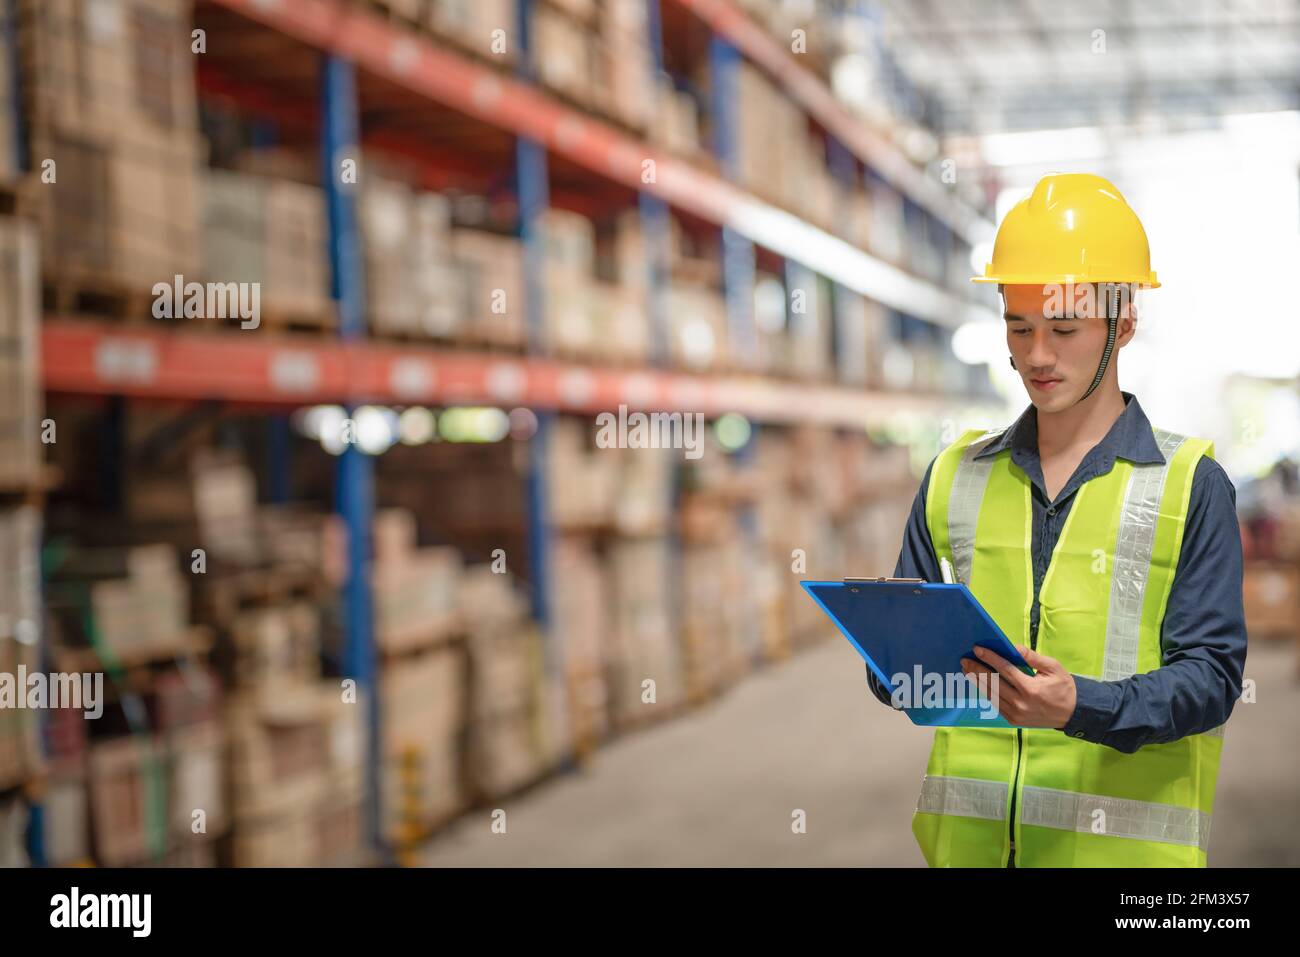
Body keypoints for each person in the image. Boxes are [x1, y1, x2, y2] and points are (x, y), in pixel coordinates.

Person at [866, 173, 1247, 867]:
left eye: (1065, 329)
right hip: (972, 854)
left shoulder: (1190, 486)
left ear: (1124, 322)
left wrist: (1080, 704)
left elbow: (1213, 679)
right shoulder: (955, 475)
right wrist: (891, 654)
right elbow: (899, 672)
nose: (1038, 355)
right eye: (1019, 326)